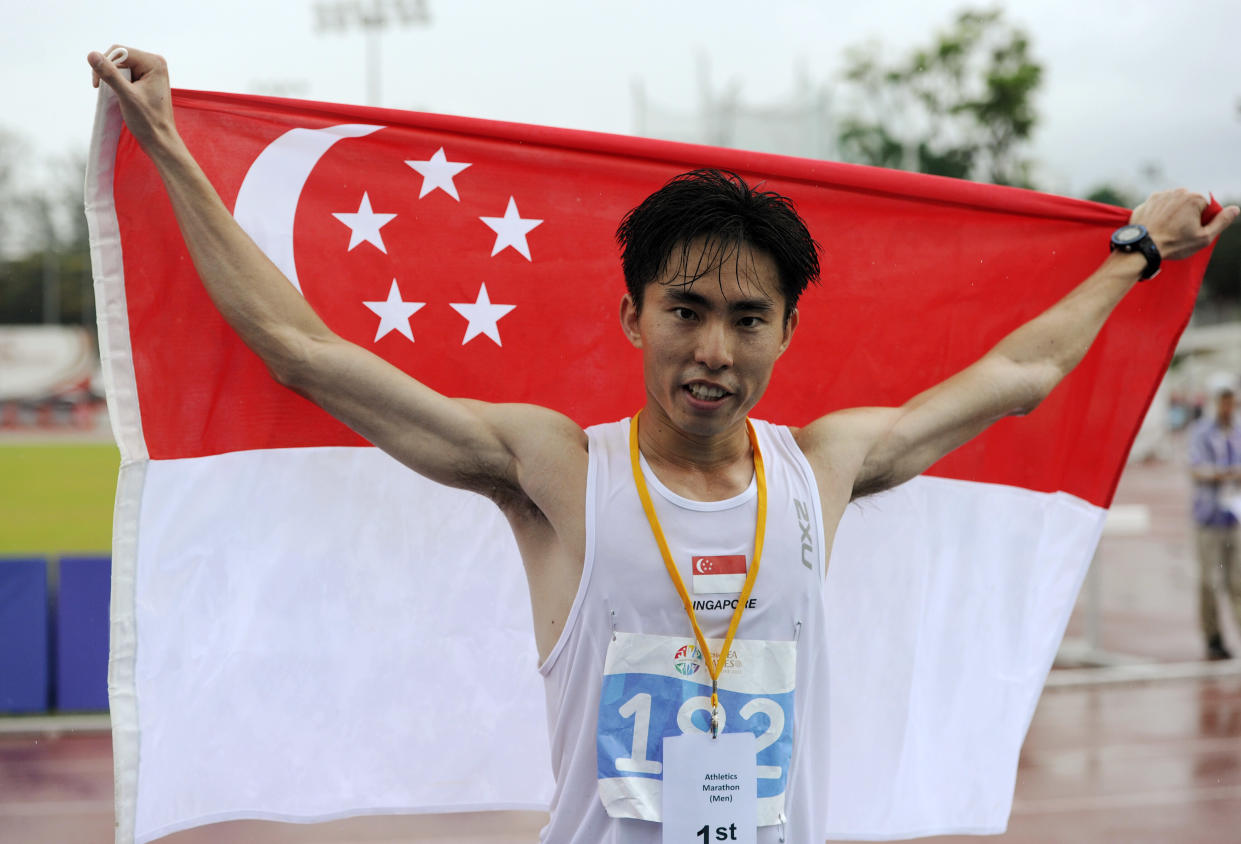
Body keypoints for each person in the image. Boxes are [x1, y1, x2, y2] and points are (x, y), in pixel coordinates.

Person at [88, 46, 1238, 844]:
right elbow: (301, 350)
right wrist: (172, 146)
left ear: (786, 332)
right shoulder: (553, 471)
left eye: (747, 319)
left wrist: (1134, 249)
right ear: (631, 316)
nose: (713, 351)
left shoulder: (822, 468)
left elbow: (1018, 375)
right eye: (684, 309)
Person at [1189, 377, 1241, 660]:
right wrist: (1226, 474)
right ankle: (1213, 636)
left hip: (1234, 517)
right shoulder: (1201, 432)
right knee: (1209, 581)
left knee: (1237, 581)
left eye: (1230, 399)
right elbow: (1197, 469)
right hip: (1209, 517)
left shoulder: (1238, 430)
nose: (1227, 406)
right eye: (1223, 400)